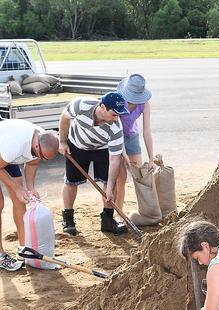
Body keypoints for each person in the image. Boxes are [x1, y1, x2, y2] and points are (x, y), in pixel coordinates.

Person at [58, 91, 129, 235]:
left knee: (110, 183)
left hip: (102, 149)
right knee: (71, 182)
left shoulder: (116, 128)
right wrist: (62, 142)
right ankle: (68, 218)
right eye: (114, 114)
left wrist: (109, 188)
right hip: (77, 145)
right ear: (102, 107)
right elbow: (65, 118)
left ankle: (108, 220)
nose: (117, 118)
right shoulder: (80, 105)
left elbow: (115, 159)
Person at [0, 120, 58, 271]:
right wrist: (18, 188)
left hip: (7, 157)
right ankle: (0, 255)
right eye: (42, 156)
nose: (41, 159)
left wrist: (30, 188)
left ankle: (24, 249)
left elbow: (31, 164)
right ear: (37, 146)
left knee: (21, 200)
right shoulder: (15, 145)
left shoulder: (41, 140)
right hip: (4, 153)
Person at [116, 74, 155, 214]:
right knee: (121, 176)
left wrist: (151, 159)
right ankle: (119, 213)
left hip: (132, 135)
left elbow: (147, 131)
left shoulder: (144, 104)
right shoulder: (118, 101)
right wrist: (123, 154)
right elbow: (117, 130)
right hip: (115, 136)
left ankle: (145, 211)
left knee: (140, 173)